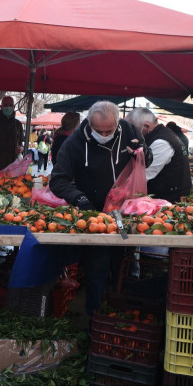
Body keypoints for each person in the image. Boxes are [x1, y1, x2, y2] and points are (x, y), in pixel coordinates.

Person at [50, 101, 152, 319]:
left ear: (117, 122)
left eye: (109, 130)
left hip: (124, 211)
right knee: (98, 264)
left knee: (122, 259)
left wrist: (143, 154)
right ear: (89, 122)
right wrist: (80, 199)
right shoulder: (75, 142)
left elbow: (146, 156)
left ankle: (117, 311)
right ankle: (95, 318)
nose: (104, 134)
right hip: (94, 215)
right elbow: (58, 180)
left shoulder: (129, 131)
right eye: (98, 131)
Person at [127, 107, 191, 202]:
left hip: (168, 201)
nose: (132, 132)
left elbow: (145, 175)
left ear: (146, 126)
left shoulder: (162, 141)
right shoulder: (162, 135)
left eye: (134, 128)